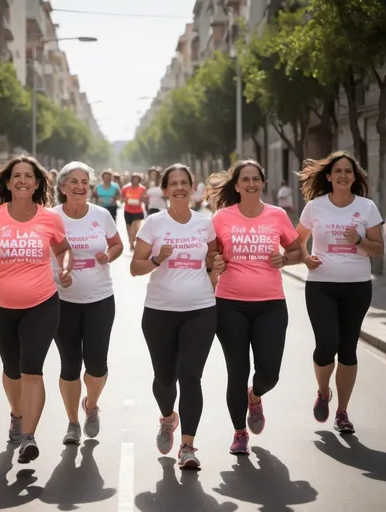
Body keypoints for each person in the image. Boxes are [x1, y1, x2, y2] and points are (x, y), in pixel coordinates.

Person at [0, 155, 73, 464]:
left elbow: (64, 250)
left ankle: (29, 436)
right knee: (11, 369)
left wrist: (65, 269)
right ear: (9, 182)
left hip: (42, 304)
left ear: (38, 183)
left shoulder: (49, 218)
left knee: (31, 370)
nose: (22, 180)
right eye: (17, 175)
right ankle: (16, 413)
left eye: (29, 175)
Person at [130, 163, 225, 470]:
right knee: (165, 378)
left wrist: (216, 267)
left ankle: (188, 446)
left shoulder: (205, 223)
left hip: (200, 310)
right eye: (174, 183)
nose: (180, 187)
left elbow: (212, 259)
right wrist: (158, 258)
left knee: (191, 377)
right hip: (159, 312)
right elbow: (135, 268)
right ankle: (168, 417)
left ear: (192, 187)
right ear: (165, 189)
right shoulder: (153, 224)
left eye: (185, 182)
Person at [210, 159, 301, 455]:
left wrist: (285, 259)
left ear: (262, 183)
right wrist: (215, 262)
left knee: (269, 373)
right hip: (230, 305)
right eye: (245, 179)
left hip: (271, 305)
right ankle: (239, 433)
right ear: (236, 186)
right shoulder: (222, 217)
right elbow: (210, 255)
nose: (250, 184)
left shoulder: (277, 216)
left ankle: (256, 395)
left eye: (255, 179)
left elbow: (298, 250)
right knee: (237, 371)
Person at [296, 151, 384, 433]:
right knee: (326, 344)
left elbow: (379, 248)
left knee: (347, 348)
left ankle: (343, 412)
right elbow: (299, 240)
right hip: (321, 285)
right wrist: (306, 257)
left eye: (349, 171)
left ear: (354, 177)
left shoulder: (367, 207)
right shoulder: (315, 206)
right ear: (329, 177)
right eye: (338, 171)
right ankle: (323, 391)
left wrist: (358, 240)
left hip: (357, 287)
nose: (344, 176)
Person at [52, 161, 124, 445]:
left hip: (99, 300)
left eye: (85, 182)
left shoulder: (101, 215)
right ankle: (72, 423)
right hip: (61, 301)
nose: (80, 187)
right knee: (69, 364)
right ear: (62, 187)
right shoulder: (51, 217)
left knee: (96, 365)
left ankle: (91, 406)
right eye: (73, 181)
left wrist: (110, 255)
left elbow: (117, 244)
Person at [121, 174, 147, 251]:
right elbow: (122, 197)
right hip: (128, 210)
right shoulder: (125, 188)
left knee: (135, 228)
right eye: (134, 178)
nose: (135, 180)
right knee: (129, 228)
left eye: (137, 179)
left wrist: (141, 200)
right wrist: (125, 199)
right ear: (131, 179)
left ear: (139, 180)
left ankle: (133, 240)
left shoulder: (142, 189)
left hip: (138, 210)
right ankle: (131, 242)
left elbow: (144, 198)